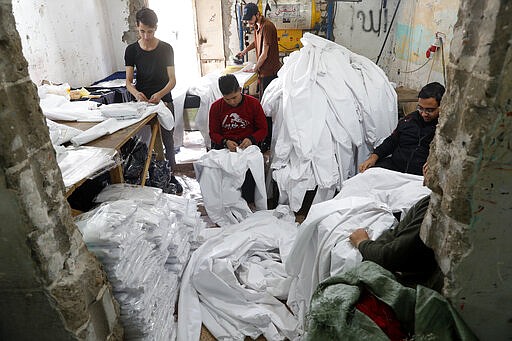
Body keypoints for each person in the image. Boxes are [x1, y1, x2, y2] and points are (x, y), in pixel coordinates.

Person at [124, 7, 182, 192]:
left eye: (150, 31)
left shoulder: (165, 48)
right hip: (143, 103)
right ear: (137, 27)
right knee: (144, 142)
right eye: (142, 31)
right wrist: (135, 93)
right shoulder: (131, 50)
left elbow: (172, 80)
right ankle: (151, 176)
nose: (146, 36)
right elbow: (128, 81)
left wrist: (160, 94)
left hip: (163, 100)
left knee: (168, 140)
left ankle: (170, 174)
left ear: (156, 28)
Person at [349, 195, 443, 290]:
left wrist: (362, 242)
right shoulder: (431, 201)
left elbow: (390, 256)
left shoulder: (435, 207)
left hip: (415, 283)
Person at [359, 82, 446, 176]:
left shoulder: (445, 129)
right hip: (395, 167)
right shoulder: (409, 120)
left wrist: (435, 164)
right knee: (365, 177)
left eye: (429, 110)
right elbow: (392, 141)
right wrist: (373, 157)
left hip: (419, 175)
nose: (424, 114)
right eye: (420, 108)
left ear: (442, 107)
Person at [209, 74, 268, 203]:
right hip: (226, 146)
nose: (232, 102)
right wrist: (225, 142)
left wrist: (251, 139)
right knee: (220, 179)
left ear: (240, 90)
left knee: (248, 188)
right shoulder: (215, 107)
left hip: (247, 146)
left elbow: (263, 129)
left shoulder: (253, 104)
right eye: (227, 99)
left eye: (234, 97)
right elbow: (213, 133)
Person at [237, 2, 281, 98]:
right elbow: (255, 43)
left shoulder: (267, 27)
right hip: (262, 71)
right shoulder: (257, 26)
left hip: (269, 72)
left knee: (267, 100)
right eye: (247, 21)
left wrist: (254, 68)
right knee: (262, 97)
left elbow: (264, 54)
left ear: (257, 14)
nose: (249, 23)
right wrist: (244, 51)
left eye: (250, 19)